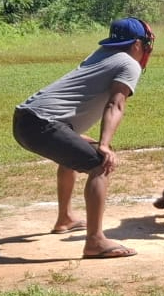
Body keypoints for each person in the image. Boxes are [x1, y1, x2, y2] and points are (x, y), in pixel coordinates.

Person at [12, 17, 154, 259]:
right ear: (137, 45)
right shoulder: (129, 63)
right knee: (100, 163)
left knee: (77, 150)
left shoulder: (101, 54)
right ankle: (95, 241)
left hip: (25, 119)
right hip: (43, 123)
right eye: (146, 44)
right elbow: (116, 104)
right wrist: (106, 145)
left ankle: (65, 218)